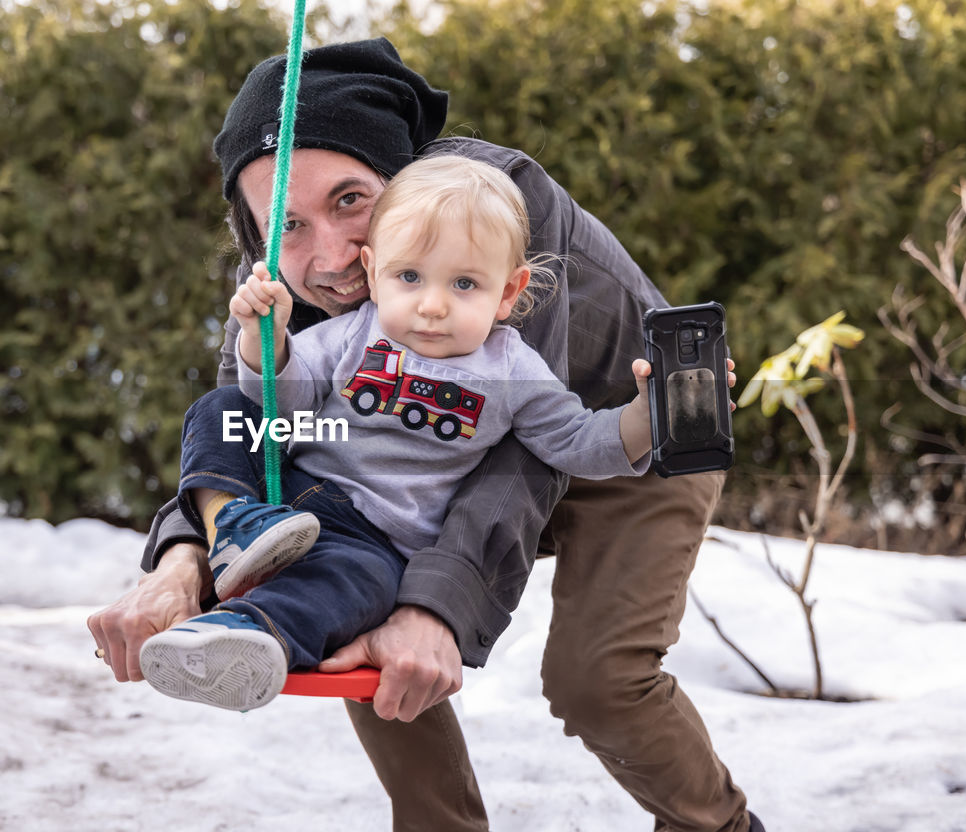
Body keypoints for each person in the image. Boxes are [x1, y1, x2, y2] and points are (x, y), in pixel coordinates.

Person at [88, 38, 769, 832]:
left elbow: (527, 454)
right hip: (428, 463)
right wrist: (180, 559)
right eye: (287, 224)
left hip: (614, 442)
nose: (331, 258)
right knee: (349, 599)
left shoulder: (503, 208)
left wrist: (433, 608)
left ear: (401, 177)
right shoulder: (281, 283)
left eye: (351, 201)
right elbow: (254, 427)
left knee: (595, 681)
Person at [137, 154, 682, 713]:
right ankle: (231, 521)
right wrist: (265, 338)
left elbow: (576, 442)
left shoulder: (511, 370)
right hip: (288, 497)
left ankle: (238, 635)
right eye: (409, 277)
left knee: (355, 588)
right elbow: (282, 399)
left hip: (374, 538)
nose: (432, 305)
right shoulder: (353, 333)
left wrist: (648, 415)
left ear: (508, 292)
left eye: (465, 283)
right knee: (222, 409)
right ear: (374, 272)